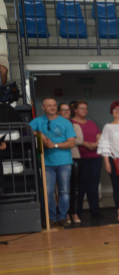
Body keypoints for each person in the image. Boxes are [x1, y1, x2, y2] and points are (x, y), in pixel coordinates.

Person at [30, 97, 76, 228]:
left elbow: (71, 143)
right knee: (48, 192)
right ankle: (50, 218)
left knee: (64, 191)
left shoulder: (65, 122)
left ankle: (62, 217)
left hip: (64, 161)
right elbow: (24, 130)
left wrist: (54, 145)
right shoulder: (38, 121)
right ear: (43, 108)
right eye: (49, 105)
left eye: (54, 105)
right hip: (46, 162)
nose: (52, 108)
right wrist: (38, 134)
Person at [70, 100, 101, 218]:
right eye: (81, 108)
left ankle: (95, 211)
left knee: (94, 185)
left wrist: (96, 144)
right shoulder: (71, 123)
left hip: (95, 157)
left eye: (86, 108)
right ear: (75, 110)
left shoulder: (92, 123)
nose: (84, 110)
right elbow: (72, 139)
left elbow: (99, 135)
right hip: (80, 158)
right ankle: (77, 213)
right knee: (80, 185)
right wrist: (85, 144)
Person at [58, 102, 82, 224]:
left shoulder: (75, 125)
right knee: (63, 189)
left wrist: (61, 141)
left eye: (68, 110)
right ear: (58, 112)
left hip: (74, 157)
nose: (66, 112)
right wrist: (68, 140)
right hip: (60, 159)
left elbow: (80, 140)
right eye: (63, 110)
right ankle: (65, 214)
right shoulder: (54, 125)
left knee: (75, 187)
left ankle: (75, 213)